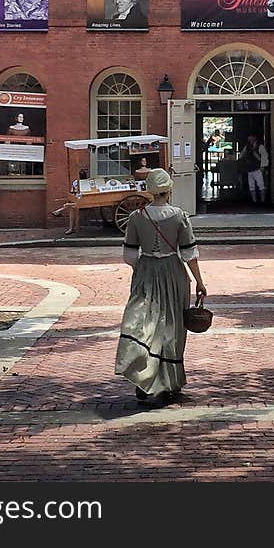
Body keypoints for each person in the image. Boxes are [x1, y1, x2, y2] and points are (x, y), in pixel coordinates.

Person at [115, 168, 206, 404]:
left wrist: (142, 268)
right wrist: (199, 280)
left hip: (145, 270)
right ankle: (167, 382)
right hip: (173, 272)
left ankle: (142, 377)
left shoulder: (136, 217)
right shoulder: (179, 216)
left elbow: (129, 254)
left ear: (149, 190)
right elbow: (188, 253)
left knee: (142, 322)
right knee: (171, 326)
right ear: (169, 189)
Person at [240, 134, 268, 204]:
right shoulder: (247, 147)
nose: (250, 140)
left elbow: (264, 157)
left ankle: (263, 200)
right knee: (251, 185)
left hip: (257, 168)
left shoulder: (260, 146)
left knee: (261, 185)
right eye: (249, 139)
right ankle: (254, 200)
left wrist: (262, 166)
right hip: (250, 168)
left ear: (254, 138)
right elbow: (242, 154)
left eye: (251, 138)